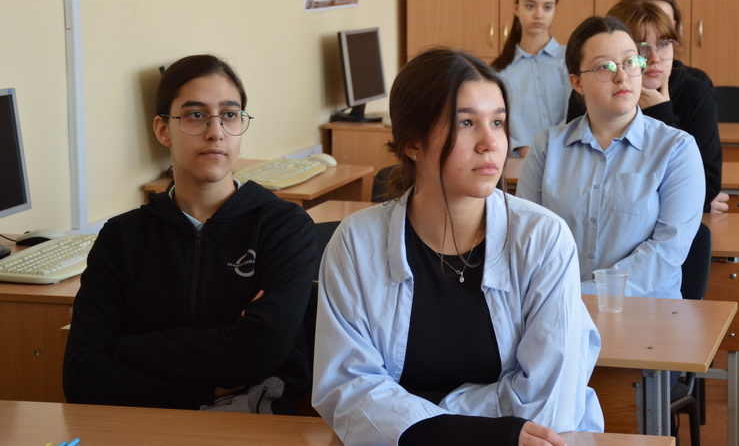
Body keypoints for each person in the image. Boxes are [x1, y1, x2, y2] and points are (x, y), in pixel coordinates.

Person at [313, 47, 603, 446]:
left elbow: (549, 407)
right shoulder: (354, 243)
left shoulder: (543, 239)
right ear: (413, 143)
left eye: (497, 122)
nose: (490, 143)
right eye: (465, 123)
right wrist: (477, 430)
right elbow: (347, 390)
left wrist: (418, 414)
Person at [63, 54, 316, 414]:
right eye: (196, 115)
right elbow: (83, 377)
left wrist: (130, 348)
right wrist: (205, 389)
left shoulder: (283, 226)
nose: (216, 132)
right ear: (162, 130)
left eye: (229, 115)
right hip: (143, 425)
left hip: (254, 422)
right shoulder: (122, 237)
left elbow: (261, 351)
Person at [518, 17, 704, 298]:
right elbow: (528, 236)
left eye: (630, 62)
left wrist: (585, 295)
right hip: (559, 305)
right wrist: (559, 299)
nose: (622, 76)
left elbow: (667, 250)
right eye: (605, 66)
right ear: (577, 83)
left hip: (647, 311)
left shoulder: (676, 148)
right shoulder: (547, 147)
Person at [567, 0, 728, 213]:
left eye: (664, 44)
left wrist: (661, 113)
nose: (655, 58)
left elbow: (705, 189)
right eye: (641, 47)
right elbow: (575, 179)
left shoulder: (696, 94)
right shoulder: (593, 91)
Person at [492, 0, 572, 158]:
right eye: (530, 6)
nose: (538, 14)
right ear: (516, 8)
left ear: (554, 9)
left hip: (567, 158)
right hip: (518, 164)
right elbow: (494, 121)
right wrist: (519, 148)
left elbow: (580, 111)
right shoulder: (499, 71)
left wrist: (554, 146)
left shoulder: (571, 59)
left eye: (547, 7)